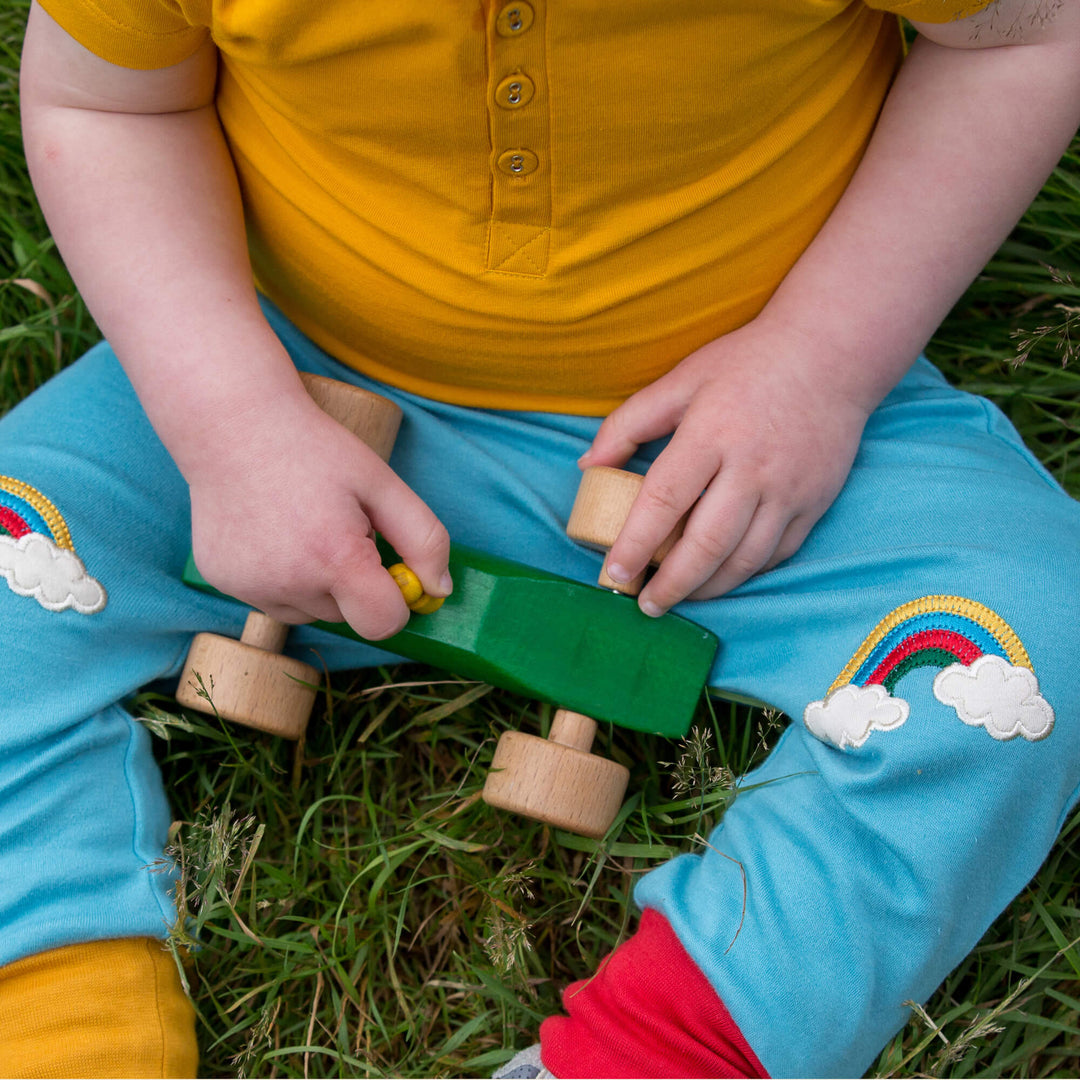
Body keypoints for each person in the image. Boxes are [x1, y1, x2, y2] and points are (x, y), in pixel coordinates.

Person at [5, 0, 1080, 1075]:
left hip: (748, 432)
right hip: (294, 394)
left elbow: (1028, 30)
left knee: (1036, 642)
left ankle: (661, 1052)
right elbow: (107, 103)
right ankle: (66, 1027)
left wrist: (821, 364)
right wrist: (228, 424)